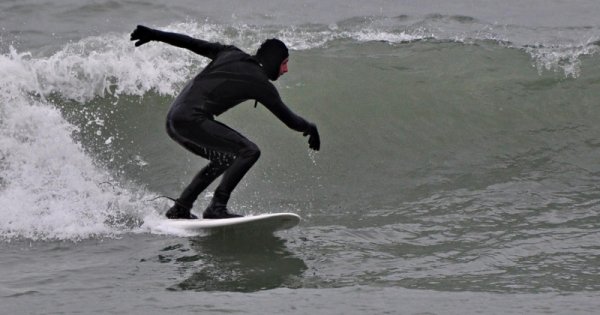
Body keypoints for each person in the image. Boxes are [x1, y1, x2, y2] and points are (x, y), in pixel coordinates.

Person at [130, 25, 320, 219]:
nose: (286, 69)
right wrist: (310, 127)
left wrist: (154, 34)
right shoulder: (261, 83)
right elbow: (290, 120)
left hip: (174, 119)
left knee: (225, 157)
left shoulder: (229, 52)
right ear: (274, 61)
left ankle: (181, 207)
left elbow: (190, 43)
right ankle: (217, 207)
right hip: (192, 119)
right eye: (284, 63)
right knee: (249, 151)